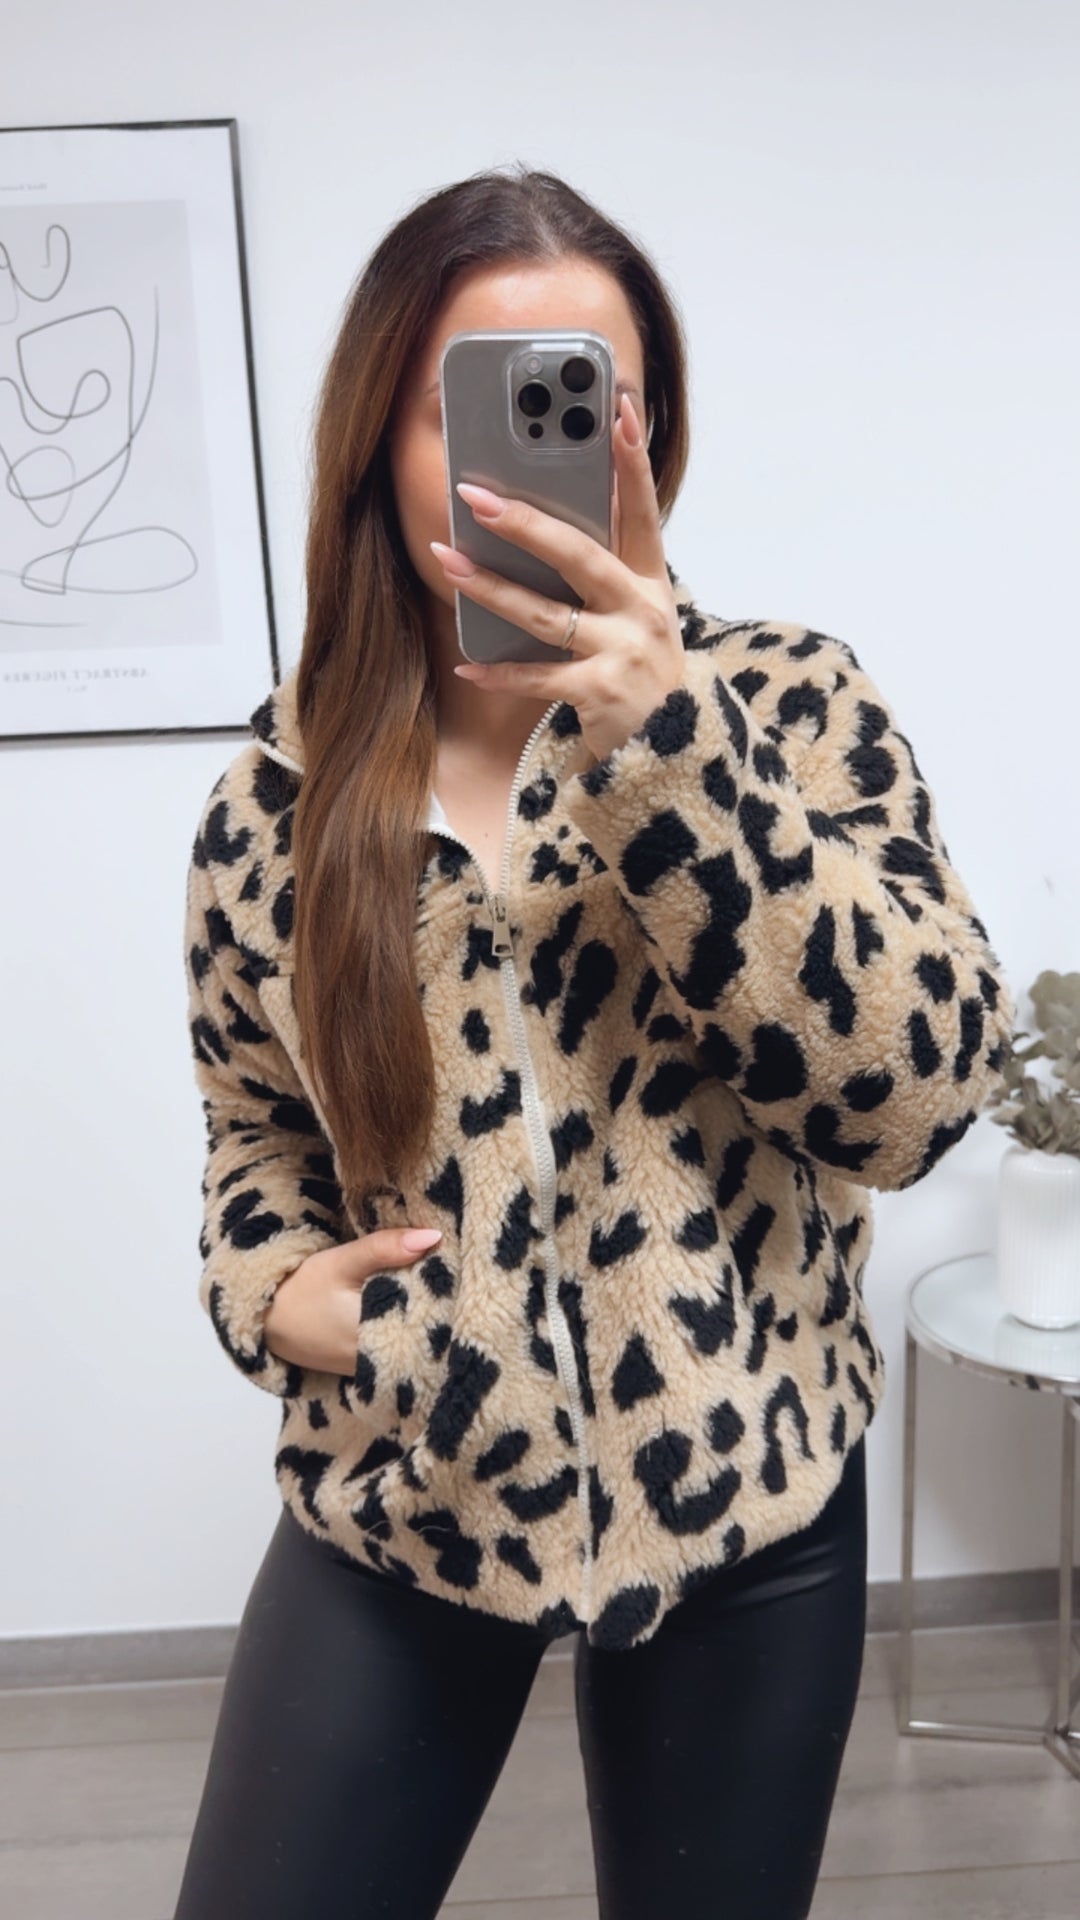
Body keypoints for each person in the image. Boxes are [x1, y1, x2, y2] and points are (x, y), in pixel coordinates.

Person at [173, 164, 1015, 1920]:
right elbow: (254, 1128)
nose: (527, 459)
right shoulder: (278, 796)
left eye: (587, 400)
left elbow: (922, 1097)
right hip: (410, 1494)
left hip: (747, 1506)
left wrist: (672, 750)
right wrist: (275, 1293)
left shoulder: (789, 706)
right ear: (378, 441)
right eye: (468, 405)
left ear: (649, 435)